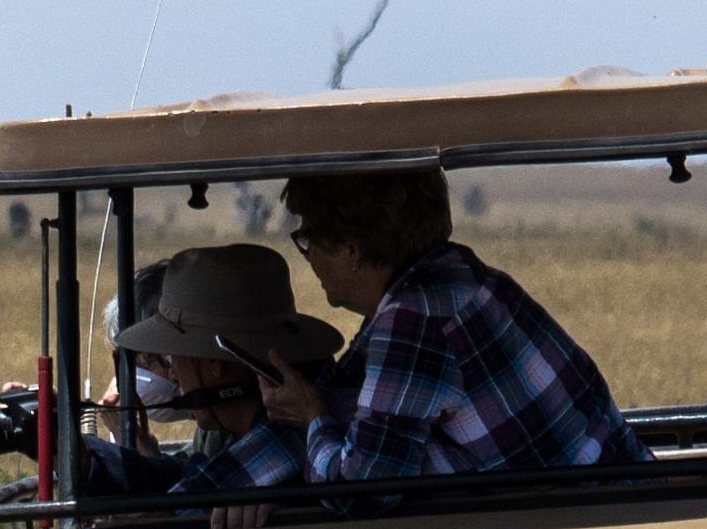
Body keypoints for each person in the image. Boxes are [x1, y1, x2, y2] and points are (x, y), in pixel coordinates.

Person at [246, 164, 628, 482]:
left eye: (309, 239)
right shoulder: (450, 274)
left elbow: (361, 489)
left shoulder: (416, 314)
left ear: (351, 251)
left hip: (593, 524)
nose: (309, 257)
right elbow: (346, 394)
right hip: (611, 501)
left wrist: (312, 415)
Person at [68, 243, 336, 504]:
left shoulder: (285, 435)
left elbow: (192, 496)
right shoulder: (240, 426)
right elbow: (189, 472)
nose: (173, 375)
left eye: (174, 357)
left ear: (213, 364)